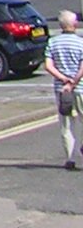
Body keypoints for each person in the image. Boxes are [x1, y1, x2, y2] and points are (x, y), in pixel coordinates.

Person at [47, 9, 83, 169]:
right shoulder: (81, 43)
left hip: (62, 90)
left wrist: (63, 80)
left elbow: (49, 66)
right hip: (80, 87)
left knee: (66, 124)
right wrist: (74, 81)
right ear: (74, 24)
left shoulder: (52, 42)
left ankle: (70, 159)